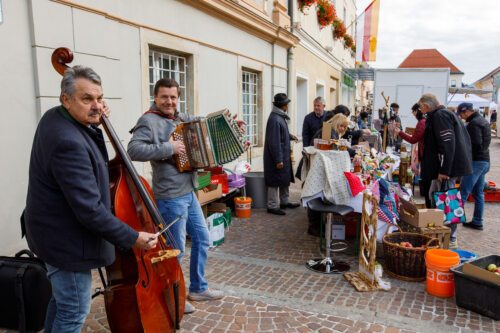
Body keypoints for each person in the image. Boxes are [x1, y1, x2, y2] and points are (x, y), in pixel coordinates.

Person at [23, 66, 158, 333]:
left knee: (61, 302)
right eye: (87, 99)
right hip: (65, 242)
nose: (97, 106)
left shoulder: (55, 117)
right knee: (73, 310)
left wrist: (96, 121)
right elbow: (90, 211)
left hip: (45, 232)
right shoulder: (67, 142)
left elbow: (89, 154)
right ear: (66, 98)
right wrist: (133, 237)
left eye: (99, 98)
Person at [128, 78, 224, 314]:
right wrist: (169, 148)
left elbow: (203, 124)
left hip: (188, 191)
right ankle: (175, 297)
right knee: (176, 249)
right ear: (156, 97)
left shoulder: (180, 118)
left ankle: (198, 288)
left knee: (203, 239)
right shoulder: (148, 121)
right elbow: (134, 149)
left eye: (173, 97)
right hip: (170, 196)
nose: (169, 101)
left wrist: (228, 125)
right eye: (164, 97)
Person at [418, 93, 472, 249]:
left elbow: (447, 144)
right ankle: (441, 235)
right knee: (442, 199)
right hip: (447, 168)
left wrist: (444, 170)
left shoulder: (440, 116)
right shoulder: (444, 114)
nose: (422, 111)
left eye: (422, 107)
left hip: (446, 169)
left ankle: (449, 237)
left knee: (447, 201)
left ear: (426, 106)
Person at [457, 102, 491, 231]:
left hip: (476, 161)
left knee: (463, 192)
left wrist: (465, 156)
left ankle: (451, 221)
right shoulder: (481, 120)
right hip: (484, 161)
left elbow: (476, 144)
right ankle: (477, 221)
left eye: (461, 114)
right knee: (478, 193)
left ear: (466, 111)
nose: (461, 116)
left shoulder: (474, 123)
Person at [264, 93, 300, 215]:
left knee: (284, 179)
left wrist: (290, 136)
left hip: (282, 155)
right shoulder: (275, 119)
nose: (287, 106)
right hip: (277, 157)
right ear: (283, 105)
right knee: (274, 181)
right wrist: (278, 160)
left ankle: (284, 202)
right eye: (287, 104)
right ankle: (272, 206)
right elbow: (274, 142)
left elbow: (281, 134)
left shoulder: (279, 117)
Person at [394, 103, 431, 208]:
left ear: (417, 111)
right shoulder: (425, 121)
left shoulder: (421, 122)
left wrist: (400, 132)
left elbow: (414, 139)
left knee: (428, 185)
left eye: (413, 111)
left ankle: (429, 211)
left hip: (426, 156)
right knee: (428, 186)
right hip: (426, 155)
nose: (413, 114)